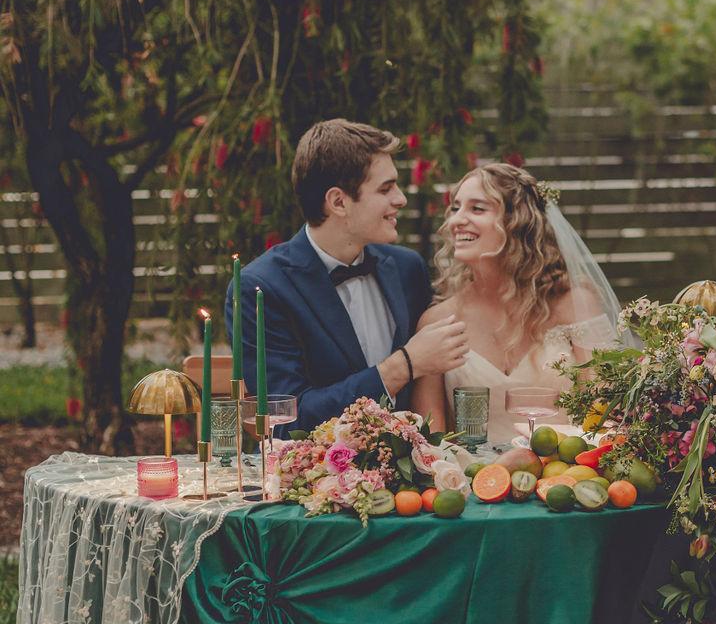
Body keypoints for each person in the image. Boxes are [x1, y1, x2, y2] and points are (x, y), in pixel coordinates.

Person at [226, 119, 468, 428]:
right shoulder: (260, 288)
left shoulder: (408, 268)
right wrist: (402, 366)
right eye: (386, 188)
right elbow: (286, 421)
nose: (400, 199)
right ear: (339, 202)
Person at [411, 162, 624, 445]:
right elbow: (430, 443)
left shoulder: (574, 305)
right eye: (455, 208)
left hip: (568, 469)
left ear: (517, 221)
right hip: (470, 473)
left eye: (477, 209)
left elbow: (607, 417)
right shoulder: (438, 322)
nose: (456, 221)